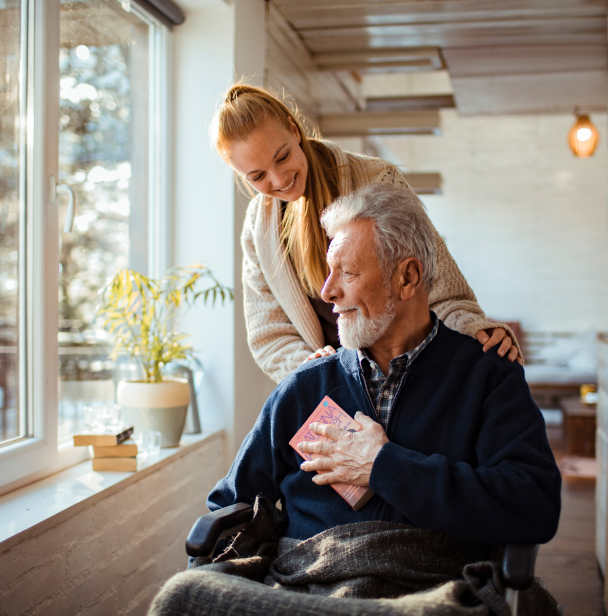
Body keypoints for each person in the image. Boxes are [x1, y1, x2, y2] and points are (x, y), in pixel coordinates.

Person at [148, 184, 560, 616]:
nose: (327, 292)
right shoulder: (306, 386)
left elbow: (534, 506)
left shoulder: (488, 377)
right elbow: (230, 502)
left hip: (427, 590)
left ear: (407, 277)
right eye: (328, 272)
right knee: (183, 595)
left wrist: (383, 466)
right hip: (304, 587)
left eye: (347, 272)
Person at [213, 83, 522, 383]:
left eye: (282, 157)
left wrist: (475, 329)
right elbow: (270, 334)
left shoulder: (378, 179)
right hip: (330, 389)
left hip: (407, 374)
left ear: (295, 130)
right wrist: (308, 369)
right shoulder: (258, 227)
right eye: (257, 176)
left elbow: (438, 284)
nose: (279, 178)